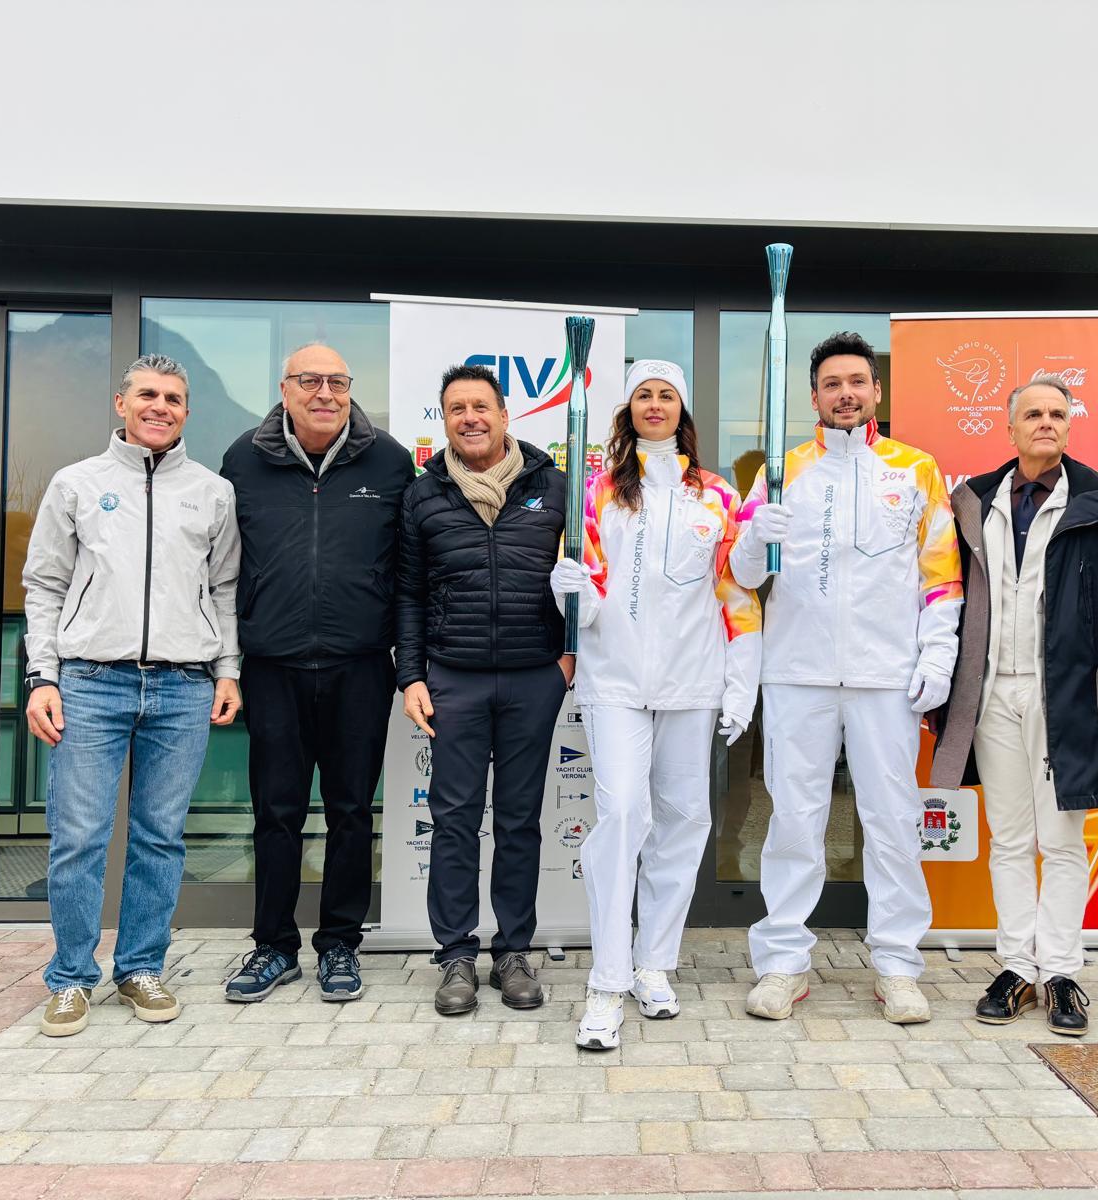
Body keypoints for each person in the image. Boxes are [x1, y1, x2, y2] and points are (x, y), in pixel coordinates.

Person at [731, 331, 963, 1024]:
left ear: (876, 391)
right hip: (797, 672)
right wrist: (754, 534)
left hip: (885, 676)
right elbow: (741, 574)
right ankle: (783, 961)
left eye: (857, 381)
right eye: (832, 384)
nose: (846, 394)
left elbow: (941, 574)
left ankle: (897, 965)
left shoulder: (915, 469)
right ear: (814, 397)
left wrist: (937, 656)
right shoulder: (781, 470)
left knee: (892, 821)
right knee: (794, 820)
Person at [22, 353, 241, 1037]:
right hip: (90, 683)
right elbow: (44, 585)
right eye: (147, 394)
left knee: (159, 838)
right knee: (79, 838)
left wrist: (228, 669)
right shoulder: (77, 484)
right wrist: (42, 677)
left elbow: (225, 589)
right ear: (121, 404)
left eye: (173, 398)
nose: (160, 407)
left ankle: (141, 967)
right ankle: (70, 977)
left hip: (183, 686)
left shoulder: (212, 492)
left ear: (186, 411)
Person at [549, 360, 762, 1050]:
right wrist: (569, 590)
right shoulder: (599, 492)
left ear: (682, 411)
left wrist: (741, 682)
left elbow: (737, 594)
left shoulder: (717, 496)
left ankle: (653, 964)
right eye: (643, 394)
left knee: (684, 819)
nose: (655, 404)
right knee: (621, 817)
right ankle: (607, 981)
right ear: (628, 409)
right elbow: (589, 591)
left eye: (667, 394)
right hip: (614, 679)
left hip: (692, 682)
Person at [930, 378, 1098, 1036]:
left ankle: (1060, 971)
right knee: (1009, 838)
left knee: (1060, 841)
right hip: (991, 692)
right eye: (1033, 414)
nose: (1046, 422)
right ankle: (1017, 967)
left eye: (1057, 413)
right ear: (1011, 427)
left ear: (1070, 424)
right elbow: (946, 595)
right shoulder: (972, 500)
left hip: (1069, 695)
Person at [219, 343, 414, 1003]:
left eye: (336, 380)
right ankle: (274, 946)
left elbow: (407, 569)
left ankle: (339, 944)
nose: (324, 392)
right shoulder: (244, 459)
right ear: (285, 389)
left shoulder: (389, 461)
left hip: (361, 666)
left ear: (350, 388)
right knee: (276, 812)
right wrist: (228, 661)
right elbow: (223, 567)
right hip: (272, 666)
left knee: (351, 811)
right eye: (310, 380)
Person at [397, 363, 571, 1015]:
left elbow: (586, 574)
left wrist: (569, 656)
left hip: (534, 676)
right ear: (444, 421)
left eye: (480, 406)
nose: (469, 418)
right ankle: (455, 957)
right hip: (454, 677)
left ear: (504, 415)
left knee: (520, 821)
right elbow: (408, 593)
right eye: (456, 409)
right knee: (454, 820)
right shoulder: (423, 495)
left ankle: (513, 952)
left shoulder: (554, 486)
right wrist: (411, 675)